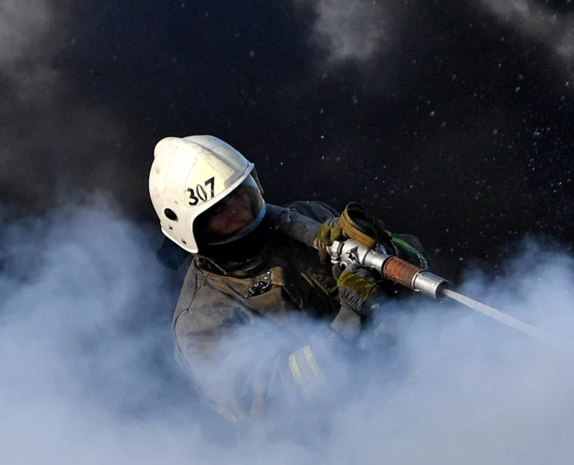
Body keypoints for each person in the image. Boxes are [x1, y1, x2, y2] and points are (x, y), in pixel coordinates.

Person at [148, 135, 431, 440]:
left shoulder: (309, 220)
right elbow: (273, 401)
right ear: (192, 230)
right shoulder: (201, 319)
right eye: (220, 211)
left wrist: (383, 248)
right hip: (325, 446)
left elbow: (419, 269)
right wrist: (347, 325)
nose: (240, 210)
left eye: (241, 193)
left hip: (402, 395)